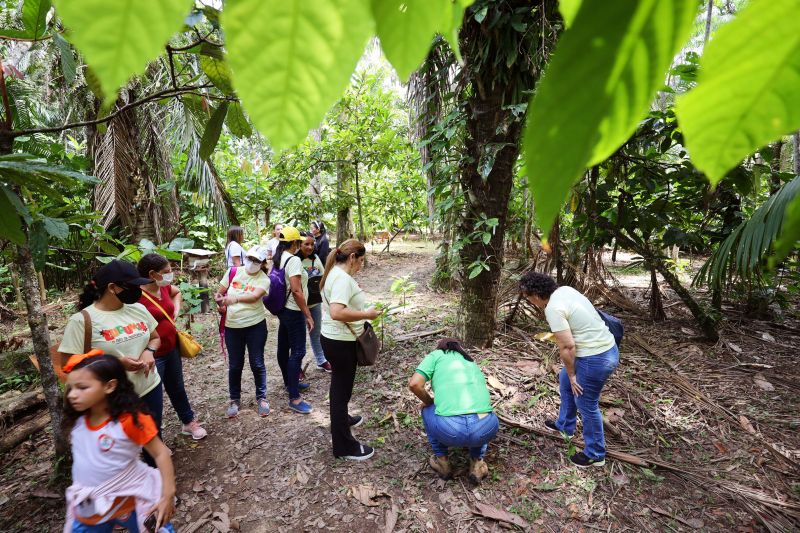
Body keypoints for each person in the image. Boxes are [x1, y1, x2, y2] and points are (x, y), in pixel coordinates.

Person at [59, 260, 163, 467]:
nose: (138, 290)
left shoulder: (138, 309)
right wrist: (116, 363)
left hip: (149, 386)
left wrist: (149, 352)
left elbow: (155, 337)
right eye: (132, 285)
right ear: (113, 288)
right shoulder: (82, 321)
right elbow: (68, 364)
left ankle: (157, 484)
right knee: (120, 449)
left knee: (153, 438)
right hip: (113, 397)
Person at [62, 351, 176, 533]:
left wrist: (167, 495)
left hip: (132, 500)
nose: (72, 395)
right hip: (90, 503)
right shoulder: (79, 420)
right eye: (71, 388)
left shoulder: (130, 420)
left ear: (109, 386)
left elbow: (160, 453)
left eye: (82, 388)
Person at [520, 272, 619, 468]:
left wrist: (574, 374)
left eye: (529, 298)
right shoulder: (564, 290)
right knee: (566, 383)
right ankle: (566, 425)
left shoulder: (553, 308)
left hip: (595, 357)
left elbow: (567, 347)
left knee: (585, 402)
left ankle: (595, 453)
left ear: (537, 295)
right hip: (603, 349)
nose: (531, 302)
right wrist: (570, 375)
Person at [320, 239, 381, 460]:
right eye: (361, 260)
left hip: (333, 338)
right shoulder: (342, 278)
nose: (361, 266)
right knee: (340, 392)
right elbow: (337, 311)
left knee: (340, 389)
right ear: (353, 257)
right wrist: (367, 314)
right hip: (340, 341)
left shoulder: (333, 273)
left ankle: (342, 418)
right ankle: (344, 446)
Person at [408, 338, 499, 483]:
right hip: (486, 426)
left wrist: (429, 402)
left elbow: (414, 384)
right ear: (459, 348)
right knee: (483, 412)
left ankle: (443, 463)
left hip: (450, 430)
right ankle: (477, 464)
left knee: (427, 410)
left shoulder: (436, 355)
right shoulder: (469, 360)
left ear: (440, 348)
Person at [137, 254, 207, 440]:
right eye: (166, 272)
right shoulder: (136, 296)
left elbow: (177, 293)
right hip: (152, 355)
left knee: (177, 387)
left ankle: (188, 421)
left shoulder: (165, 287)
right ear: (152, 274)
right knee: (153, 398)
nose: (171, 275)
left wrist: (175, 310)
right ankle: (155, 440)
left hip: (171, 348)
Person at [214, 246, 270, 418]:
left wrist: (235, 299)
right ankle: (234, 399)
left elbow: (255, 297)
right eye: (251, 258)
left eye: (257, 261)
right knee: (235, 364)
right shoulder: (232, 272)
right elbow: (219, 293)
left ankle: (262, 397)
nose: (252, 263)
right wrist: (220, 303)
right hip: (232, 327)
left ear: (262, 263)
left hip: (255, 326)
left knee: (257, 362)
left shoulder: (264, 279)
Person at [274, 226, 315, 414]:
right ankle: (294, 398)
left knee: (283, 348)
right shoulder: (294, 260)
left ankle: (290, 383)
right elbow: (297, 290)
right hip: (293, 310)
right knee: (298, 351)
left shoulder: (279, 257)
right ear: (295, 243)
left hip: (283, 309)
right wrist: (307, 314)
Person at [299, 231, 331, 373]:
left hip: (314, 302)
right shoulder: (294, 261)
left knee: (316, 332)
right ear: (298, 244)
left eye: (312, 244)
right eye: (306, 244)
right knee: (298, 337)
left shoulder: (316, 258)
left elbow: (323, 277)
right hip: (298, 305)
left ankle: (321, 360)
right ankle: (296, 367)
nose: (310, 247)